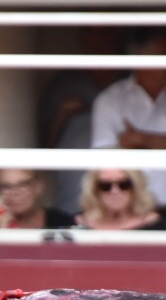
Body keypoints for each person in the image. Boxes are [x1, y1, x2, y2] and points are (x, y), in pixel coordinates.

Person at [89, 26, 166, 229]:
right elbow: (107, 163)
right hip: (131, 218)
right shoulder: (110, 100)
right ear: (141, 58)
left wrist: (140, 140)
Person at [37, 26, 122, 216]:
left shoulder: (132, 81)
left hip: (121, 194)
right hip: (73, 195)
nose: (97, 44)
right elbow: (44, 146)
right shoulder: (65, 81)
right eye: (90, 38)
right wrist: (62, 116)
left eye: (102, 36)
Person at [0, 168, 76, 230]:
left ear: (38, 186)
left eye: (22, 185)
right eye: (6, 186)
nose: (15, 192)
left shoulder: (62, 222)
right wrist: (0, 233)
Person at [75, 168, 160, 231]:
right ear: (94, 189)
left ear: (136, 187)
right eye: (106, 186)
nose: (115, 191)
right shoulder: (80, 223)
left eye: (124, 184)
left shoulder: (153, 223)